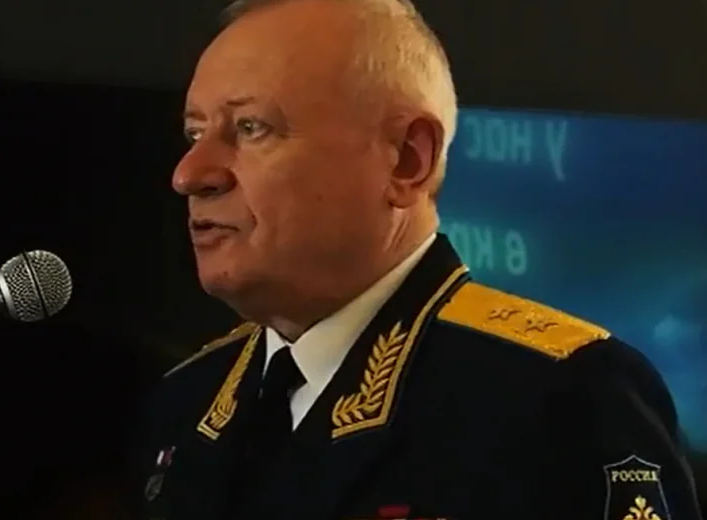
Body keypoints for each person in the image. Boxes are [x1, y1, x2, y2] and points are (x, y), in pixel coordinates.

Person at [130, 0, 703, 518]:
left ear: (407, 160)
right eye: (195, 133)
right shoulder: (187, 398)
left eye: (251, 128)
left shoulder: (562, 396)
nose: (190, 175)